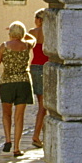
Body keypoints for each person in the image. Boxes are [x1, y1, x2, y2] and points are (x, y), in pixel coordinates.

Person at [0, 21, 36, 157]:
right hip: (23, 82)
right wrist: (24, 33)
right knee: (19, 116)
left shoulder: (4, 47)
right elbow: (34, 39)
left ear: (10, 34)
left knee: (6, 113)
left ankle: (8, 140)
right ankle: (16, 147)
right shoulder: (27, 46)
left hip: (7, 83)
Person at [29, 9, 48, 148]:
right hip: (46, 67)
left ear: (39, 19)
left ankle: (40, 135)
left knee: (41, 103)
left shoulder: (32, 32)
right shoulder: (50, 33)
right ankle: (36, 135)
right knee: (43, 106)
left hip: (34, 67)